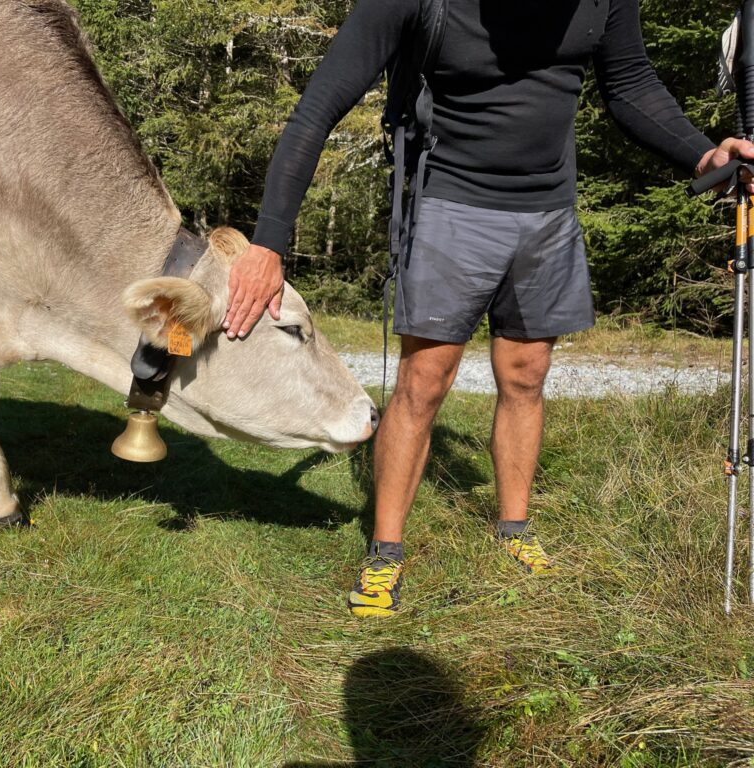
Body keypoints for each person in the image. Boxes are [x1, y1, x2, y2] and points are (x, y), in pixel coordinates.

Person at [222, 0, 754, 617]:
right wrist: (269, 241)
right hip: (452, 203)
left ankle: (513, 531)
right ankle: (386, 550)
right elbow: (319, 107)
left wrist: (700, 154)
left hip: (549, 210)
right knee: (425, 380)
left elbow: (630, 83)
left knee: (526, 376)